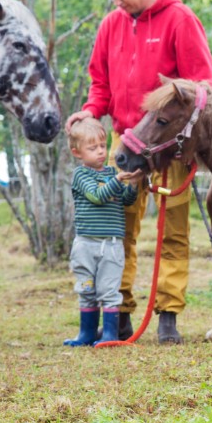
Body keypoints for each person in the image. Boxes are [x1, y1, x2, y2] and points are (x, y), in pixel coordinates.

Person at [65, 0, 212, 344]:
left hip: (170, 147)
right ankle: (121, 311)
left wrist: (182, 137)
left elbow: (203, 86)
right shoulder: (111, 25)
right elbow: (99, 83)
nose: (116, 3)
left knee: (174, 231)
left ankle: (167, 313)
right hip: (125, 143)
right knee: (121, 229)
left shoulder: (180, 19)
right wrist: (88, 112)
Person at [63, 119, 141, 346]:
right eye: (92, 148)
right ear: (77, 152)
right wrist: (118, 180)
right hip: (86, 244)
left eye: (102, 146)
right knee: (87, 289)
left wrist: (133, 185)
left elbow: (126, 200)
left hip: (112, 245)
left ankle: (109, 334)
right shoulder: (81, 176)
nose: (99, 151)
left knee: (109, 290)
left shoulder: (111, 174)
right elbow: (98, 196)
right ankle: (86, 334)